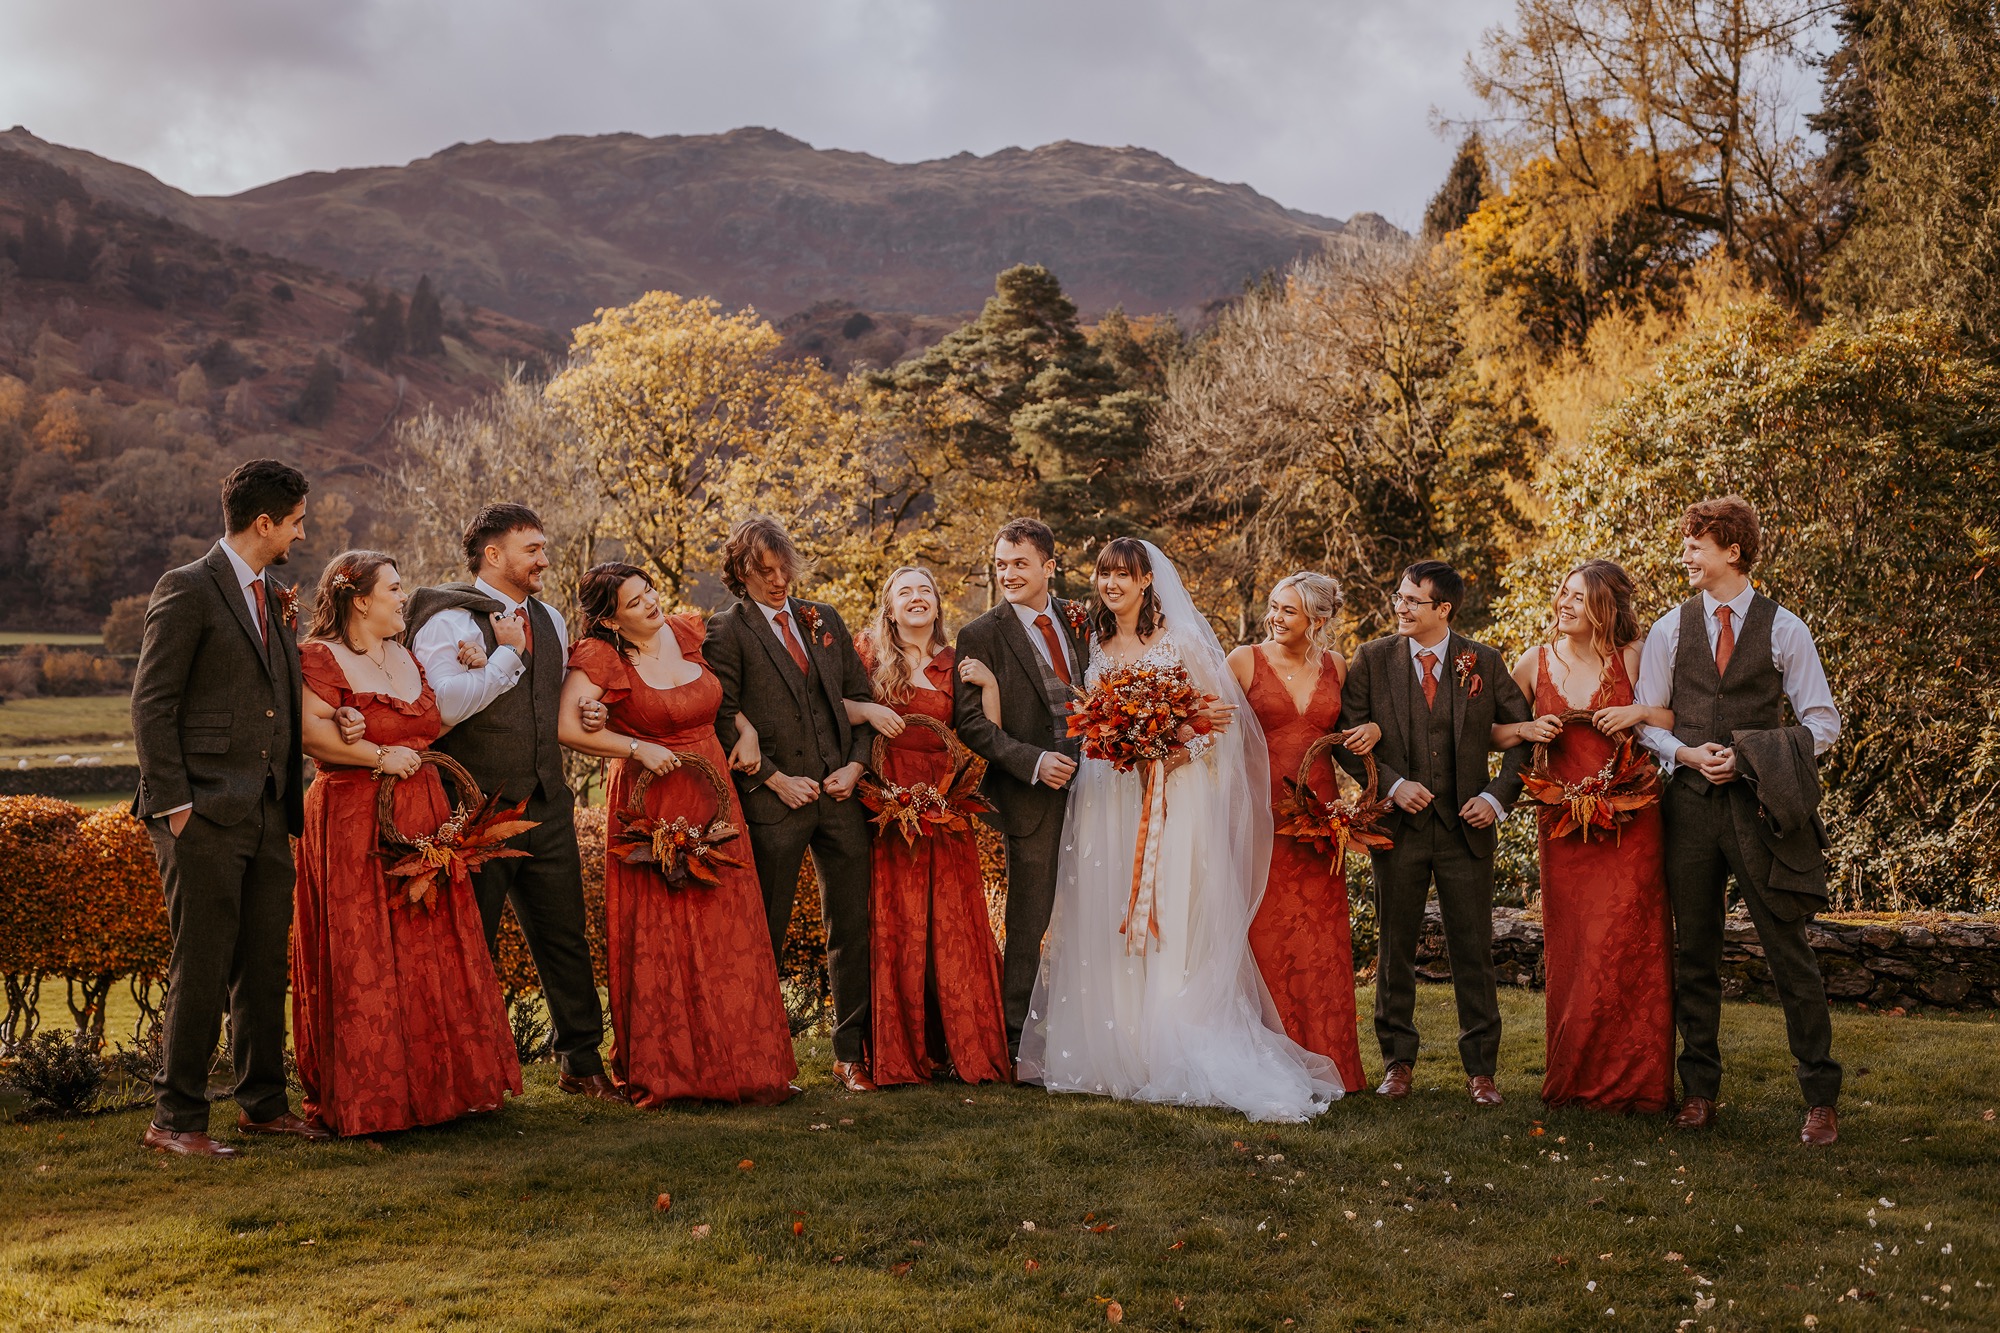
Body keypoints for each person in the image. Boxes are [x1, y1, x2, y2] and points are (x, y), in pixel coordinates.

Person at [1017, 538, 1342, 1122]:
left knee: (1168, 909)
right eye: (1104, 574)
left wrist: (1170, 755)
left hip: (1174, 792)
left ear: (1147, 581)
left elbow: (1220, 723)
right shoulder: (1095, 642)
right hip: (1108, 792)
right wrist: (1120, 746)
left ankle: (1170, 1039)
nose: (1111, 584)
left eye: (1123, 575)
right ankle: (1118, 1046)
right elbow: (1091, 719)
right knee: (1108, 908)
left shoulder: (1182, 641)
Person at [129, 458, 329, 1156]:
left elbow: (274, 695)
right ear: (263, 522)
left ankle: (262, 1105)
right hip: (201, 811)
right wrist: (175, 805)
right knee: (203, 965)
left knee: (263, 963)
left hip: (269, 809)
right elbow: (152, 703)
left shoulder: (273, 594)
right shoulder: (186, 587)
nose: (301, 534)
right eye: (296, 522)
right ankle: (174, 1120)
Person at [1632, 497, 1844, 1145]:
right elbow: (1647, 720)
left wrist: (1751, 757)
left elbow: (1822, 722)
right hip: (1689, 810)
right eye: (1686, 544)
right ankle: (1699, 1092)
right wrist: (1687, 754)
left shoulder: (1786, 629)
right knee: (1693, 952)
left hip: (1760, 811)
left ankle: (1821, 1098)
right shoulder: (1669, 629)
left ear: (1733, 551)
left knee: (1789, 952)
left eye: (1696, 545)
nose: (1686, 556)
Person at [292, 551, 521, 1135]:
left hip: (423, 811)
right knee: (364, 948)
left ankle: (439, 1089)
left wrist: (480, 667)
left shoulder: (407, 654)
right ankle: (374, 1098)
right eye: (393, 589)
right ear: (359, 599)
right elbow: (311, 734)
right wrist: (374, 753)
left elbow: (429, 725)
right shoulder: (320, 657)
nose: (403, 597)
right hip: (353, 818)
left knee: (427, 947)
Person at [555, 564, 798, 1105]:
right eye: (634, 601)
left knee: (727, 926)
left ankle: (748, 1064)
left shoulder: (689, 630)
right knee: (662, 931)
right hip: (651, 798)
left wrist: (746, 730)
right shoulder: (600, 656)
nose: (651, 603)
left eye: (649, 591)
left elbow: (723, 700)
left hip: (713, 792)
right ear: (610, 619)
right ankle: (674, 1070)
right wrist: (635, 747)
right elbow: (567, 727)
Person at [403, 504, 620, 1103]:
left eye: (543, 547)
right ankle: (462, 1075)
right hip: (475, 814)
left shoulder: (550, 618)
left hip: (547, 805)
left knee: (565, 938)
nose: (544, 559)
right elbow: (439, 711)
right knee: (471, 945)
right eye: (533, 549)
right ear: (493, 555)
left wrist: (591, 712)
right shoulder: (448, 620)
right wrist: (501, 656)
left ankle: (581, 1062)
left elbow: (553, 704)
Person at [1337, 560, 1531, 1108]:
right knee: (1394, 948)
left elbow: (1523, 736)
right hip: (1398, 830)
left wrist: (1495, 797)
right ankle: (1397, 1063)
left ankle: (1481, 1071)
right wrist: (1393, 786)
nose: (1400, 607)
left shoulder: (1483, 661)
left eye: (1411, 601)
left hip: (1465, 831)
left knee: (1473, 949)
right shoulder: (1372, 659)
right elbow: (1348, 738)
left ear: (1443, 609)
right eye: (1398, 597)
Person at [702, 518, 877, 1093]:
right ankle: (759, 1062)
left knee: (850, 928)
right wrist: (775, 780)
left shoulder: (823, 617)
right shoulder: (726, 630)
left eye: (785, 569)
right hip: (774, 805)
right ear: (741, 571)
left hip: (841, 798)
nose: (779, 581)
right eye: (765, 571)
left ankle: (849, 1055)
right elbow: (720, 715)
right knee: (764, 934)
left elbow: (858, 700)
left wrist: (855, 767)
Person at [1493, 561, 1675, 1115]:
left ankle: (1639, 1085)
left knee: (1630, 944)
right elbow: (1492, 730)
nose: (1564, 604)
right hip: (1564, 827)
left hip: (1631, 825)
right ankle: (1573, 1079)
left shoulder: (1635, 656)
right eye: (1563, 593)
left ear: (1605, 607)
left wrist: (1638, 710)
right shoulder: (1534, 662)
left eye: (1578, 597)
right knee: (1575, 948)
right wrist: (1526, 728)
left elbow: (1675, 718)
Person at [851, 566, 1011, 1087]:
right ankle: (900, 1048)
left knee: (951, 921)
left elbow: (984, 733)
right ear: (889, 606)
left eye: (925, 591)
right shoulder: (868, 654)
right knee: (896, 920)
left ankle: (958, 1044)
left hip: (943, 803)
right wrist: (869, 711)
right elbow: (830, 707)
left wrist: (990, 685)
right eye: (906, 592)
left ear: (938, 604)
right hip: (886, 801)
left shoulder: (954, 663)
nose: (917, 598)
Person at [951, 518, 1091, 1058]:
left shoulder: (1082, 619)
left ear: (1048, 567)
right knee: (1029, 918)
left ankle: (1091, 1029)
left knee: (1096, 909)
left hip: (1100, 788)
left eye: (1020, 564)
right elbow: (971, 724)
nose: (1008, 574)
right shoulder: (980, 634)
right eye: (1001, 565)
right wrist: (1033, 762)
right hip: (1033, 795)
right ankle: (1018, 1038)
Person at [1228, 572, 1373, 1094]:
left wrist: (1372, 728)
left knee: (1319, 941)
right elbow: (1213, 734)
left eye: (1288, 610)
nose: (1275, 617)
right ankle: (1268, 1062)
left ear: (1318, 619)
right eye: (1274, 606)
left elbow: (1352, 730)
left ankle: (1331, 1060)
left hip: (1319, 825)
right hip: (1261, 821)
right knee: (1265, 937)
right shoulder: (1243, 661)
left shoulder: (1337, 666)